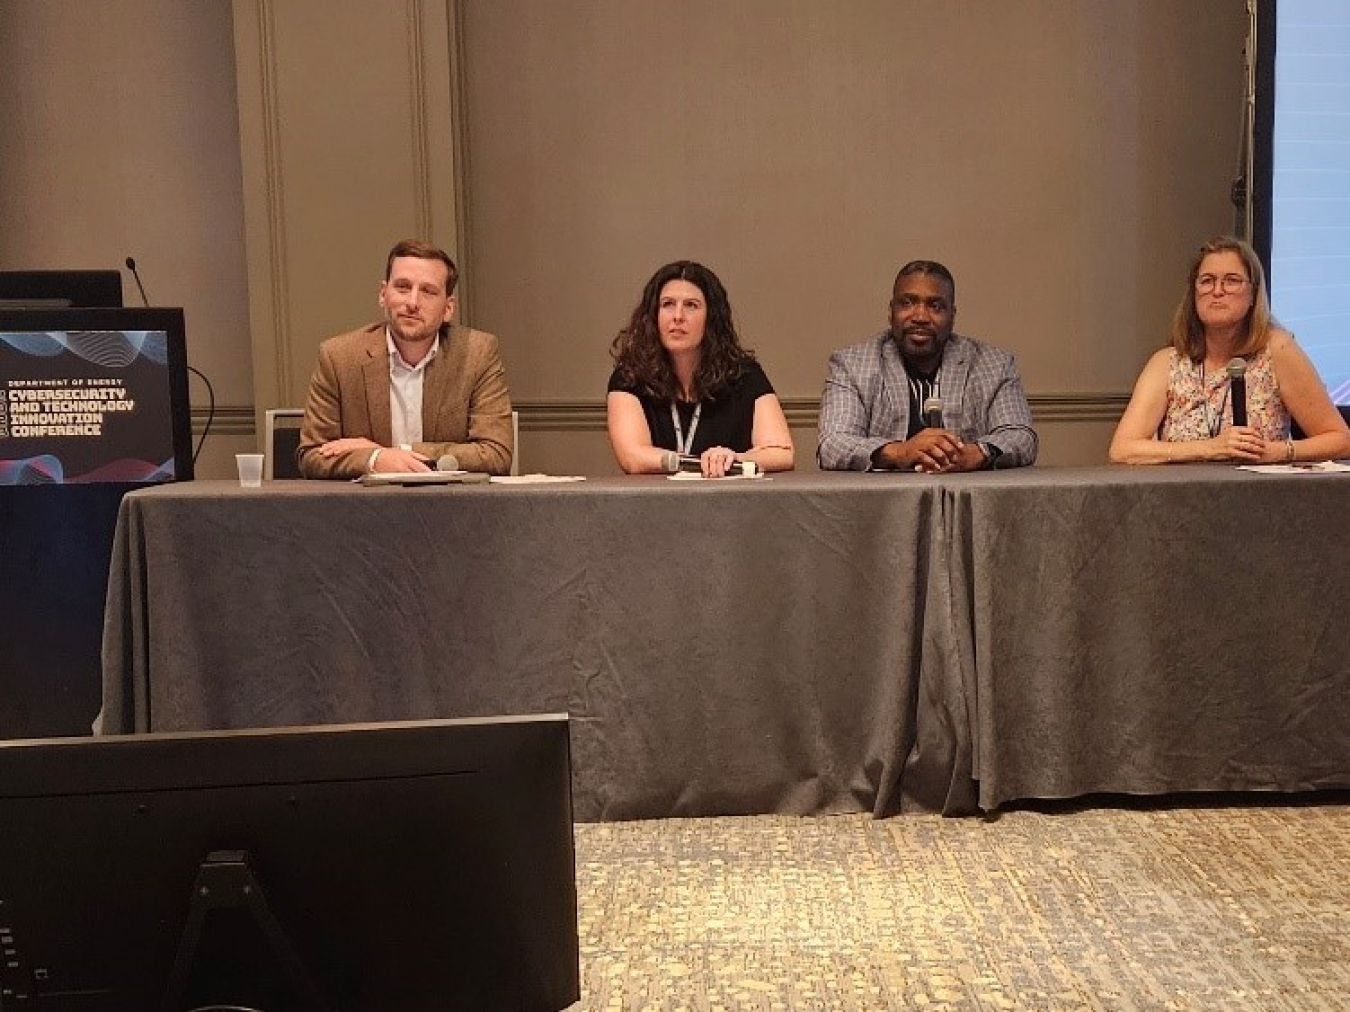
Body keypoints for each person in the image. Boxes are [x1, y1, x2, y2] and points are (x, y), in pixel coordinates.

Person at [1110, 236, 1350, 465]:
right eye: (1207, 281)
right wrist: (1210, 448)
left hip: (1262, 498)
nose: (1217, 291)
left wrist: (1278, 451)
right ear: (1194, 294)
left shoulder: (1278, 349)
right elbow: (1123, 449)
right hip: (1181, 501)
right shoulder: (1167, 362)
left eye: (1232, 280)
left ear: (1253, 295)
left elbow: (1341, 440)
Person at [297, 240, 513, 478]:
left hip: (451, 509)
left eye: (428, 292)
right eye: (402, 287)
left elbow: (496, 454)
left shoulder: (477, 354)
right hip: (365, 510)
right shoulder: (338, 357)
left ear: (448, 308)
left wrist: (390, 454)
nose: (412, 303)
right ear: (383, 294)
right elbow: (312, 455)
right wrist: (378, 459)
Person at [817, 260, 1037, 472]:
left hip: (968, 502)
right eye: (908, 303)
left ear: (952, 316)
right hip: (880, 506)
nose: (920, 316)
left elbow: (1021, 437)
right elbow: (832, 444)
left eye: (935, 306)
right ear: (891, 311)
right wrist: (900, 452)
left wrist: (974, 454)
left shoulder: (995, 365)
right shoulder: (851, 365)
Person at [606, 260, 794, 477]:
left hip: (732, 505)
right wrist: (699, 463)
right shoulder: (629, 378)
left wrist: (732, 459)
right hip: (654, 506)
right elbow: (633, 458)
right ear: (653, 316)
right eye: (667, 304)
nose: (678, 316)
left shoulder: (744, 374)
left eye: (691, 305)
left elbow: (782, 453)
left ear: (711, 319)